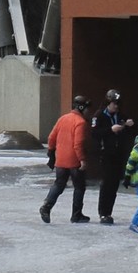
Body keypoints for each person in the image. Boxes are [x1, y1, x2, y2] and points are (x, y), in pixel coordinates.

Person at [41, 93, 92, 223]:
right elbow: (78, 144)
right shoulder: (80, 122)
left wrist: (51, 153)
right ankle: (76, 214)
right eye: (87, 108)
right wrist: (82, 159)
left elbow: (51, 138)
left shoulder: (62, 119)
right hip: (74, 161)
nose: (88, 111)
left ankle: (46, 207)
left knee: (59, 184)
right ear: (81, 108)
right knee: (79, 187)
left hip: (61, 160)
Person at [90, 90, 137, 225]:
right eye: (114, 104)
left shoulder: (120, 115)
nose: (116, 106)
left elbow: (132, 131)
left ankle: (108, 212)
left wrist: (130, 125)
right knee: (107, 183)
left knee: (115, 183)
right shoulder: (99, 115)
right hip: (106, 153)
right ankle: (103, 212)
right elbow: (94, 133)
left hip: (119, 153)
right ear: (108, 103)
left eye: (118, 104)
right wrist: (110, 130)